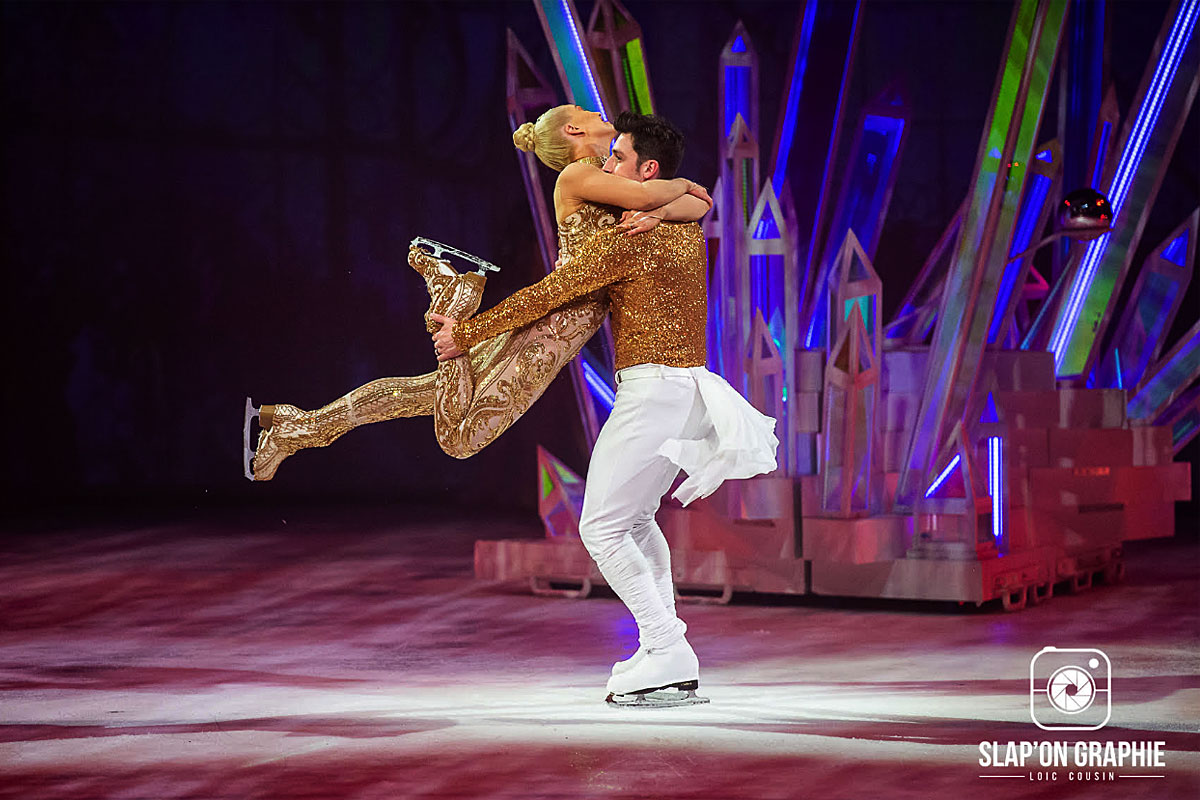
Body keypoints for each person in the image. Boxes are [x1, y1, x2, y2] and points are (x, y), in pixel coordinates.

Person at [432, 113, 779, 706]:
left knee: (600, 527)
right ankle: (661, 650)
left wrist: (468, 333)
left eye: (617, 159)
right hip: (687, 389)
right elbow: (695, 200)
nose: (607, 168)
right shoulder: (677, 228)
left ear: (647, 171)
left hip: (653, 392)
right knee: (637, 521)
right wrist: (666, 205)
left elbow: (553, 292)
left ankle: (667, 645)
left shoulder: (630, 239)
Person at [246, 105, 710, 480]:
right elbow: (667, 197)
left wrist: (668, 208)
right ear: (573, 128)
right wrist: (678, 192)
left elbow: (691, 205)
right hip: (543, 330)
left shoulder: (608, 180)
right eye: (585, 111)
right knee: (459, 440)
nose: (600, 119)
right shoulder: (580, 176)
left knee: (418, 394)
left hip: (548, 325)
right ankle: (449, 297)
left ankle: (296, 429)